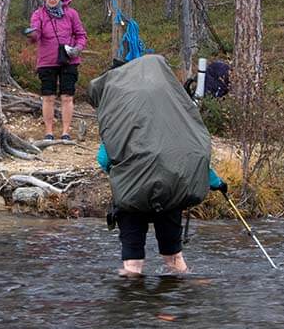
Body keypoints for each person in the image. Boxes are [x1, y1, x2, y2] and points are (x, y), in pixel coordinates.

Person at [87, 54, 227, 277]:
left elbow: (104, 160)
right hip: (170, 194)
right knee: (174, 260)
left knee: (132, 264)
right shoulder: (174, 118)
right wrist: (218, 183)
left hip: (131, 196)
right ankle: (182, 291)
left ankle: (134, 294)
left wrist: (125, 173)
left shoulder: (121, 121)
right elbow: (192, 158)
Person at [24, 0, 87, 141]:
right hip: (46, 61)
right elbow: (36, 33)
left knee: (67, 97)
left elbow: (81, 35)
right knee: (48, 97)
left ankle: (66, 132)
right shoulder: (38, 14)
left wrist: (77, 48)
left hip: (69, 60)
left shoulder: (71, 14)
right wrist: (32, 35)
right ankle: (49, 132)